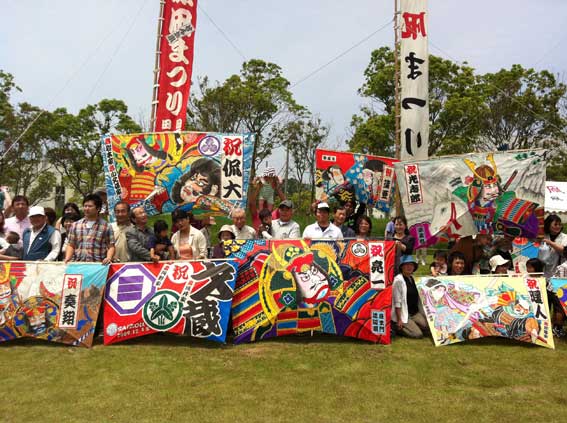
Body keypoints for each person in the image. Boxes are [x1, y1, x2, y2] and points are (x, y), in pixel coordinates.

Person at [64, 194, 115, 264]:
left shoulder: (106, 226)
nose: (87, 208)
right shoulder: (75, 225)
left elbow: (111, 246)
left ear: (98, 209)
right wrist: (68, 258)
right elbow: (71, 245)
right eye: (85, 206)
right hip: (78, 265)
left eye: (90, 206)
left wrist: (109, 258)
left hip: (98, 265)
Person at [539, 214, 567, 337]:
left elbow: (565, 251)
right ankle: (545, 327)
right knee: (544, 303)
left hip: (560, 276)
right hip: (544, 274)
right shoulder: (542, 236)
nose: (558, 226)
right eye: (555, 224)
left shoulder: (564, 237)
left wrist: (550, 243)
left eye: (559, 224)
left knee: (558, 305)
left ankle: (558, 327)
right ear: (548, 225)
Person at [391, 255, 429, 338]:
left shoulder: (413, 278)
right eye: (406, 265)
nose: (409, 267)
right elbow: (397, 302)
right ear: (402, 267)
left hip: (414, 312)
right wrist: (399, 319)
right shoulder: (398, 280)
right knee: (418, 334)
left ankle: (412, 324)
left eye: (411, 265)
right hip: (404, 313)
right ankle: (396, 327)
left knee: (427, 327)